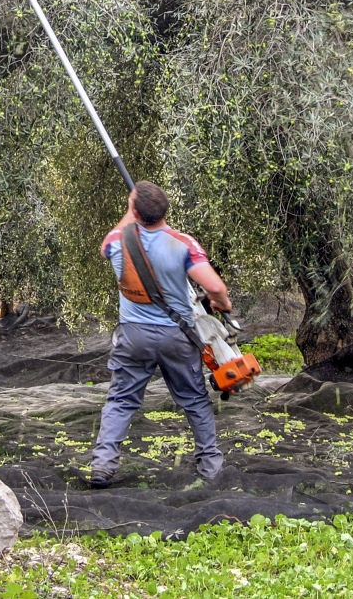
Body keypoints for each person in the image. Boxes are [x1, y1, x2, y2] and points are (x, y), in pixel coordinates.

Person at [88, 181, 231, 489]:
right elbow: (215, 287)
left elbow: (108, 242)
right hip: (177, 336)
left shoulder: (116, 242)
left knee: (121, 400)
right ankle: (210, 466)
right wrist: (222, 304)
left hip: (133, 335)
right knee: (194, 400)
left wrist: (130, 211)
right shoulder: (182, 244)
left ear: (135, 211)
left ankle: (103, 466)